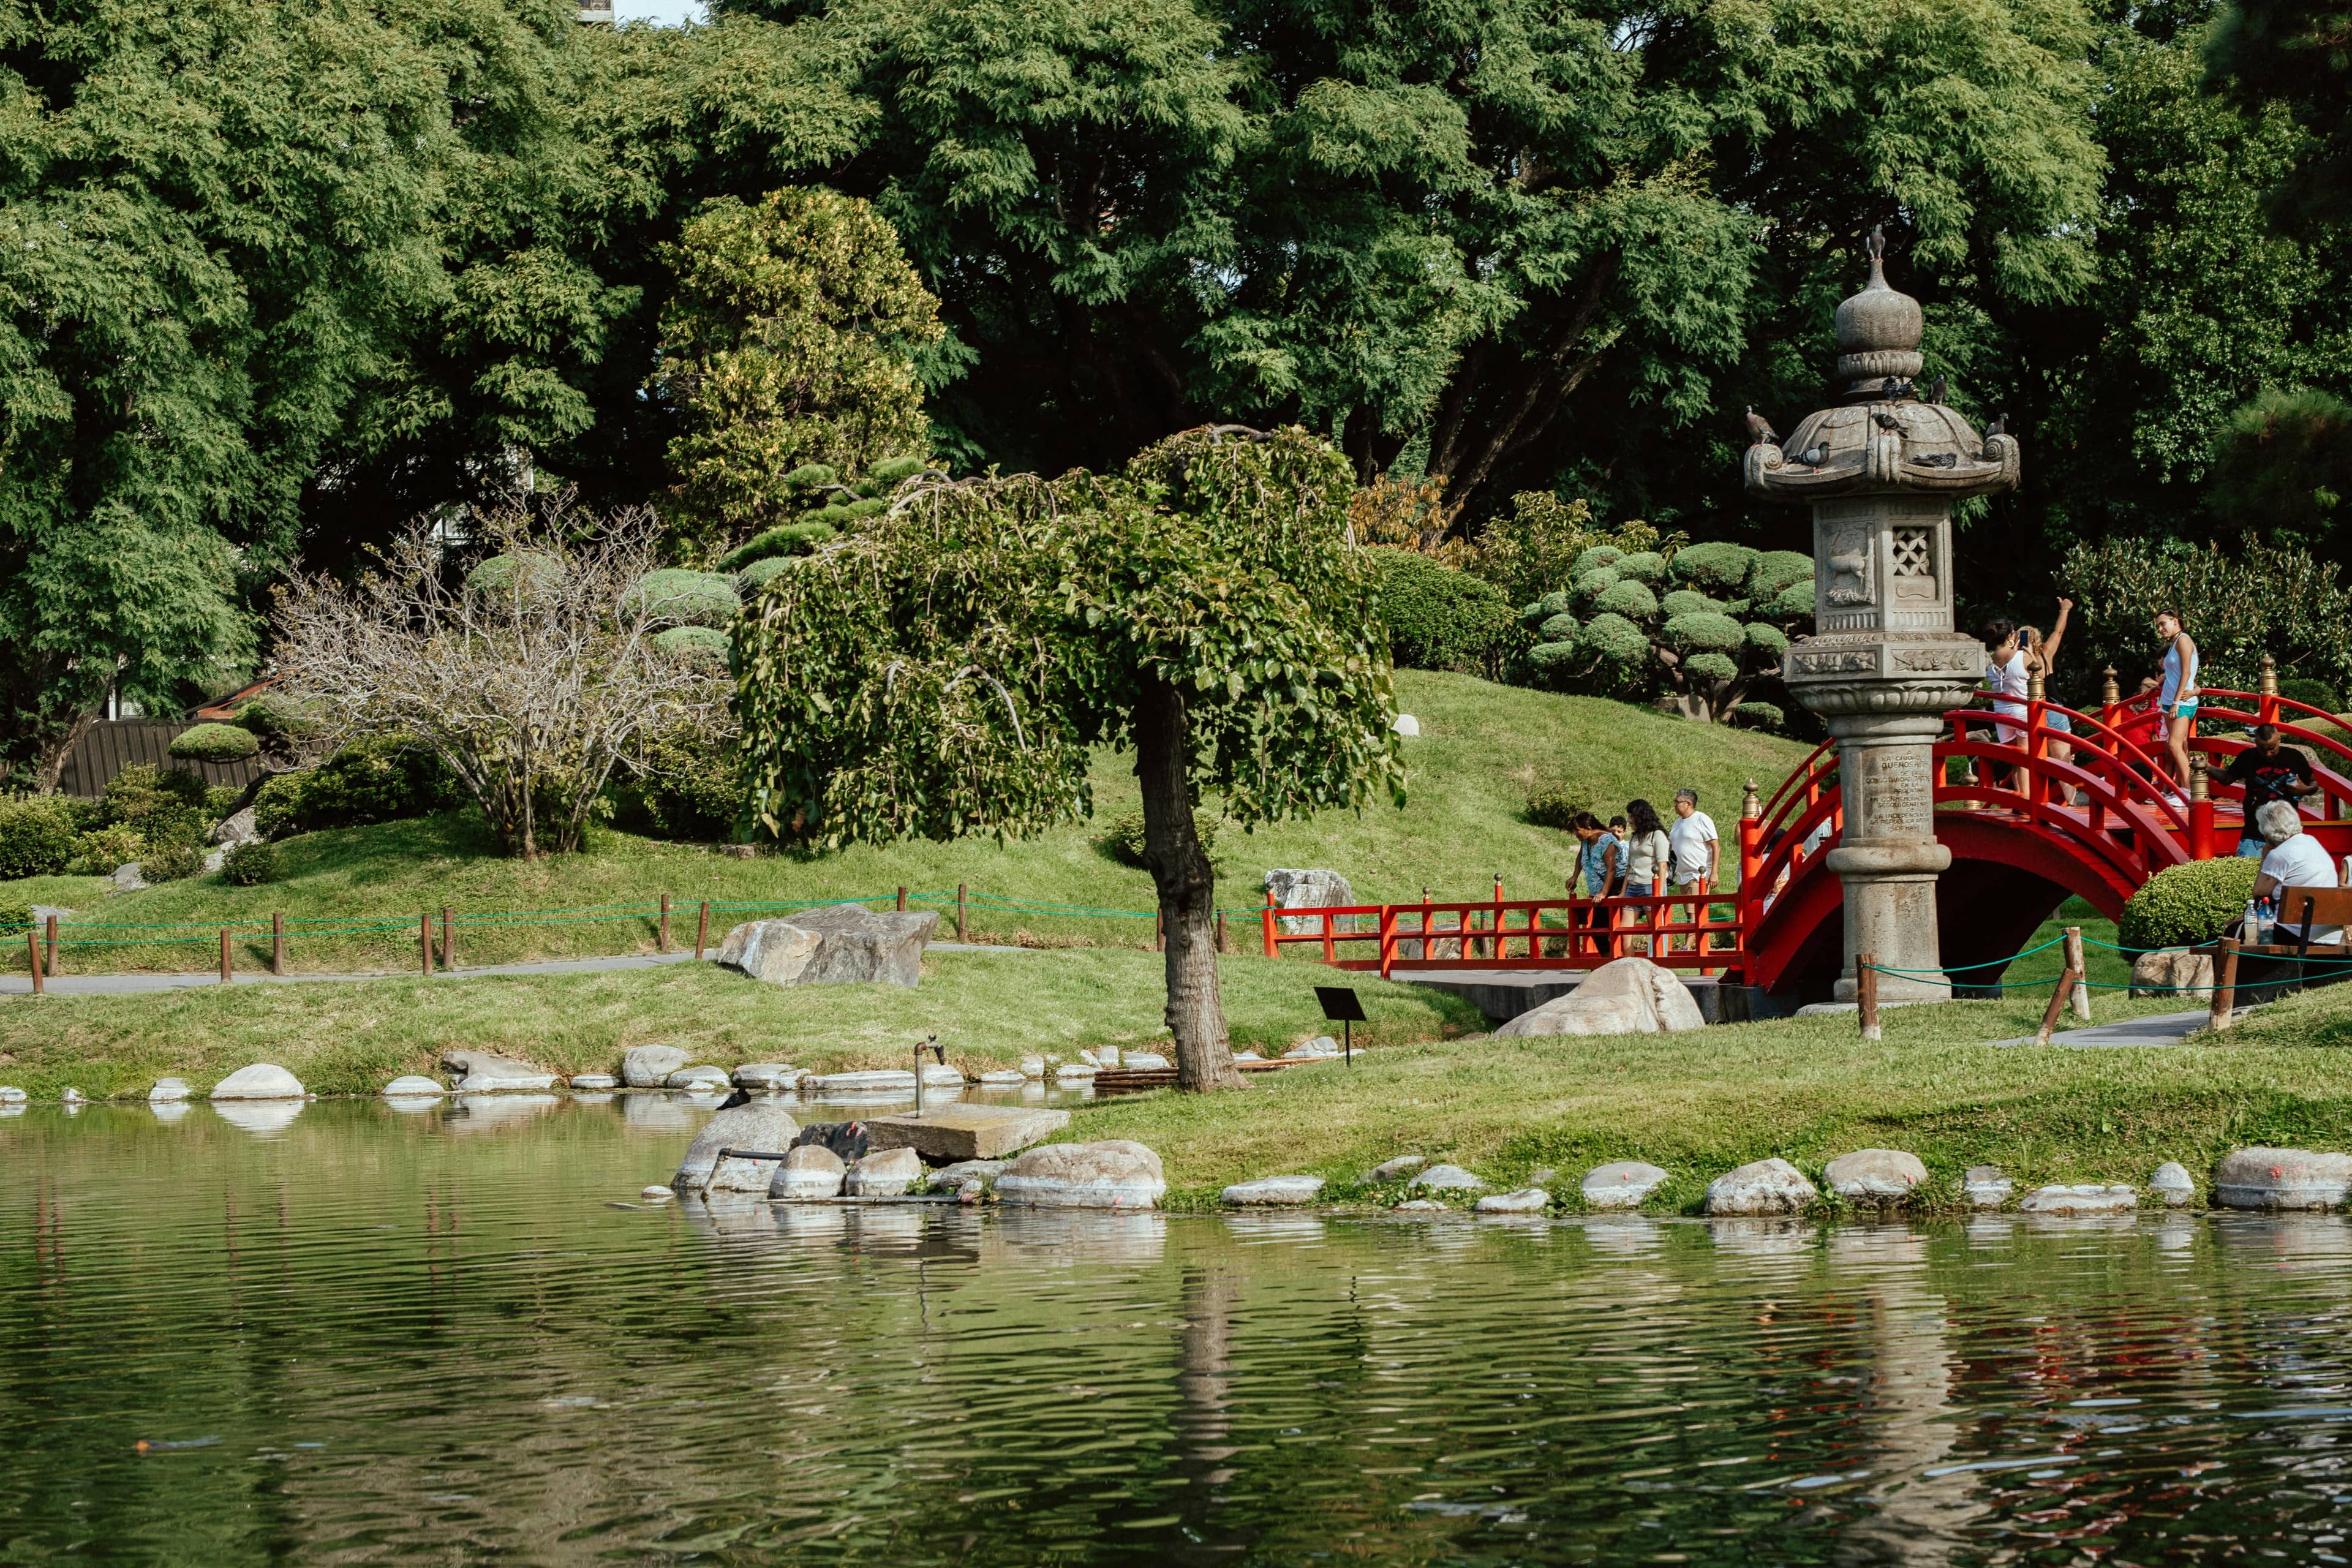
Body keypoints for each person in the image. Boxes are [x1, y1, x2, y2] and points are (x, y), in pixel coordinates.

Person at [2220, 725, 2320, 858]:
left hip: (2286, 830)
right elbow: (2227, 779)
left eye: (2272, 749)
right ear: (2255, 742)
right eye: (2263, 750)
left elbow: (2313, 783)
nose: (2268, 754)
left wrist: (2304, 790)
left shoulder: (2293, 757)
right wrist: (2207, 768)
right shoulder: (2247, 757)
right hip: (2254, 828)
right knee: (2248, 870)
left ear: (2279, 739)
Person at [2252, 800, 2342, 944]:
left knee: (2236, 930)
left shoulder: (2279, 854)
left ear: (2267, 831)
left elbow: (2259, 891)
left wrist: (2264, 857)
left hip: (2295, 933)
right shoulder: (2312, 841)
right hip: (2330, 934)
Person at [2154, 609, 2199, 799]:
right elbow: (2174, 672)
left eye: (2163, 624)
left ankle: (2188, 792)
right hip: (2169, 701)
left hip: (2181, 702)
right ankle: (2179, 789)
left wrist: (2175, 701)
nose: (2161, 629)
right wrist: (2160, 684)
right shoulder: (2174, 643)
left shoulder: (2184, 640)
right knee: (2178, 745)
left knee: (2174, 745)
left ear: (2175, 621)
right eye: (2158, 626)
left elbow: (2187, 674)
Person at [1982, 616, 2029, 787]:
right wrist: (2029, 651)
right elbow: (2041, 673)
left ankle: (2020, 797)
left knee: (2016, 761)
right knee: (2025, 760)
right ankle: (2027, 800)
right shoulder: (2022, 657)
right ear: (2010, 636)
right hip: (2023, 710)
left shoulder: (1989, 660)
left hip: (2001, 713)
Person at [1619, 799, 1672, 952]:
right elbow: (1629, 866)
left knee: (1656, 931)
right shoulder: (1635, 837)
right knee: (1624, 932)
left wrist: (1660, 893)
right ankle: (1631, 967)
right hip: (1633, 886)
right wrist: (1623, 892)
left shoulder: (1658, 835)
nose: (1628, 820)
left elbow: (1663, 865)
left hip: (1651, 886)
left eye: (1631, 816)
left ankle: (1658, 967)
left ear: (1640, 816)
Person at [1567, 812, 1622, 957]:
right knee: (1597, 930)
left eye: (1577, 830)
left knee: (1610, 928)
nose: (1575, 833)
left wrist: (1604, 893)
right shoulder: (1586, 841)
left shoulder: (1606, 840)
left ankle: (1615, 960)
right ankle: (1610, 960)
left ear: (1589, 828)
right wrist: (1574, 877)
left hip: (1616, 885)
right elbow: (1581, 857)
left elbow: (1612, 868)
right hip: (1601, 887)